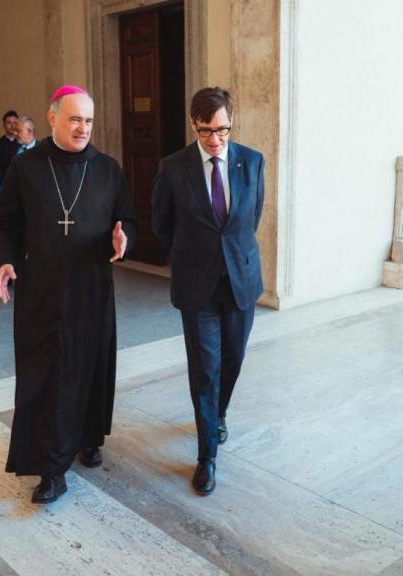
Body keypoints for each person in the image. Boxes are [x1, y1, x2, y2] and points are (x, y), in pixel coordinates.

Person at [0, 85, 137, 504]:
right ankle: (51, 468)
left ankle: (88, 436)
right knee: (49, 375)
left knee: (90, 366)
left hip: (92, 288)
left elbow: (127, 218)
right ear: (52, 118)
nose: (82, 127)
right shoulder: (27, 168)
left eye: (88, 120)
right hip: (42, 289)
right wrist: (3, 260)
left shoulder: (108, 170)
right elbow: (6, 224)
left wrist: (124, 237)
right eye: (74, 119)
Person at [151, 87, 264, 495]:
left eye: (222, 130)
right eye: (206, 131)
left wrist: (230, 255)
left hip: (240, 282)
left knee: (233, 359)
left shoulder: (251, 162)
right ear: (193, 125)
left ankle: (219, 415)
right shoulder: (173, 167)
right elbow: (161, 224)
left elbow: (250, 218)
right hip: (196, 286)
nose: (215, 139)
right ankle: (206, 457)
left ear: (230, 122)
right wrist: (194, 255)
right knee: (205, 370)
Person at [0, 110, 21, 177]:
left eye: (15, 123)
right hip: (3, 183)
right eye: (9, 123)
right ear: (4, 125)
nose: (12, 126)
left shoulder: (23, 144)